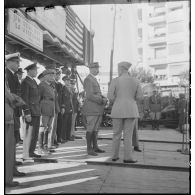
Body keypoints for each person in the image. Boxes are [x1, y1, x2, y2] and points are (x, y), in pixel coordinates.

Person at [107, 61, 143, 163]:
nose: (118, 71)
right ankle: (128, 158)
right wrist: (131, 99)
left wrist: (118, 100)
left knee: (116, 134)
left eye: (118, 69)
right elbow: (140, 96)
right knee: (128, 135)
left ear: (121, 69)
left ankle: (114, 156)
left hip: (117, 109)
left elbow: (110, 96)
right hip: (131, 109)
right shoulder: (135, 81)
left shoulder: (115, 81)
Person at [5, 52, 26, 177]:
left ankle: (11, 165)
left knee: (13, 140)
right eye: (16, 62)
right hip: (8, 111)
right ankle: (10, 168)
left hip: (14, 111)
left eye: (18, 62)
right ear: (8, 62)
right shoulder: (6, 75)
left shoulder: (13, 75)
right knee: (9, 141)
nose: (18, 64)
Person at [82, 62, 107, 156]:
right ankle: (89, 149)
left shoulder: (93, 79)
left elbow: (97, 93)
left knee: (95, 129)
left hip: (97, 108)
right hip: (92, 108)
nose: (98, 70)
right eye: (96, 68)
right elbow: (89, 95)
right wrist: (101, 100)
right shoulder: (88, 79)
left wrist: (103, 98)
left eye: (98, 68)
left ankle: (95, 147)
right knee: (90, 128)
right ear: (91, 69)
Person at [21, 63, 41, 160]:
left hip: (36, 111)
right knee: (29, 134)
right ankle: (26, 153)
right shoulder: (25, 82)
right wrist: (27, 112)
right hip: (31, 112)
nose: (36, 72)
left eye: (36, 70)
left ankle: (31, 151)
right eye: (34, 70)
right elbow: (24, 98)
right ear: (29, 71)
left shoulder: (34, 81)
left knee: (35, 134)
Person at [38, 69, 56, 154]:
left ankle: (45, 146)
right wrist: (39, 110)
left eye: (53, 75)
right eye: (50, 75)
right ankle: (40, 147)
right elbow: (38, 98)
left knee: (48, 128)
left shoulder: (51, 86)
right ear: (45, 76)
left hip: (51, 107)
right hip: (44, 108)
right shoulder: (42, 85)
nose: (53, 77)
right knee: (42, 128)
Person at [48, 68, 61, 149]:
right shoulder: (50, 84)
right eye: (53, 74)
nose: (54, 76)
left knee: (54, 127)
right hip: (50, 108)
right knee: (50, 127)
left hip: (55, 108)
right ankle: (50, 143)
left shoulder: (54, 85)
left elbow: (57, 98)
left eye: (55, 74)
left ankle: (52, 142)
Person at [60, 75, 74, 142]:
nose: (68, 82)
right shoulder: (63, 88)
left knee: (69, 123)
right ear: (64, 81)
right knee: (64, 124)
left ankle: (68, 136)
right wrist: (62, 107)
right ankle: (63, 137)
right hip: (65, 108)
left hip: (70, 108)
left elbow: (70, 99)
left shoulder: (70, 88)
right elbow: (62, 99)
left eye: (69, 81)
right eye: (66, 81)